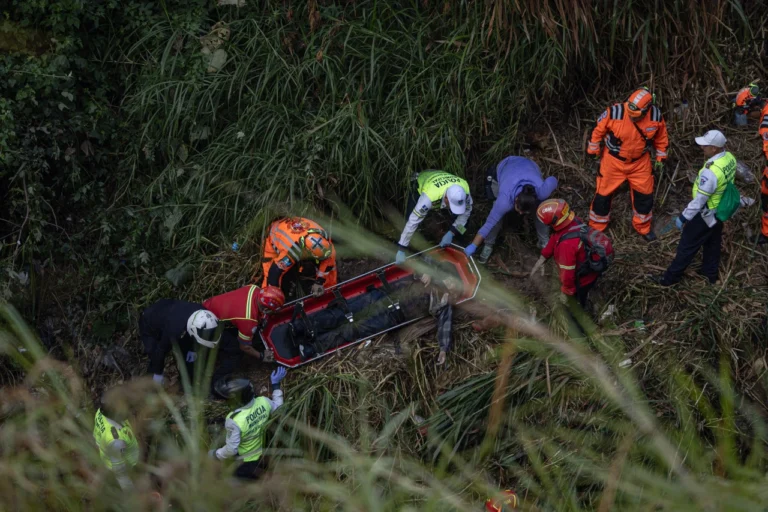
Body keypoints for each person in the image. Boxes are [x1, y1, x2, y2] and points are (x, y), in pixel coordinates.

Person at [295, 259, 460, 364]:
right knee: (343, 312)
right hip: (381, 296)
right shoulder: (426, 273)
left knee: (352, 330)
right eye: (451, 281)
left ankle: (312, 348)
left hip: (391, 318)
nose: (451, 286)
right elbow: (426, 261)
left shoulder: (443, 303)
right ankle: (304, 326)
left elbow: (445, 325)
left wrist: (443, 349)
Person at [654, 130, 736, 286]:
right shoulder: (729, 158)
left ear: (714, 148)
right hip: (719, 211)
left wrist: (684, 217)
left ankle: (669, 279)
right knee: (713, 243)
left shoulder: (711, 172)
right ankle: (710, 275)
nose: (702, 148)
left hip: (705, 213)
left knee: (686, 245)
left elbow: (699, 200)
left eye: (705, 146)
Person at [587, 87, 669, 241]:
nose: (632, 118)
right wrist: (593, 150)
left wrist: (660, 159)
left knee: (645, 196)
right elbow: (597, 131)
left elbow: (661, 139)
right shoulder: (615, 112)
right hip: (613, 161)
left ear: (646, 110)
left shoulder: (656, 116)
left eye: (636, 116)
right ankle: (597, 227)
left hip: (640, 163)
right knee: (602, 195)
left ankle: (643, 227)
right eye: (630, 114)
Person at [465, 156, 558, 263]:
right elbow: (489, 224)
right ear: (516, 199)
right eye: (519, 209)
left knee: (542, 211)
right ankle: (488, 245)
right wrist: (473, 245)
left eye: (525, 212)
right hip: (507, 165)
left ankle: (544, 242)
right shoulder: (505, 199)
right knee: (496, 219)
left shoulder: (541, 192)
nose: (521, 213)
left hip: (530, 165)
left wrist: (546, 191)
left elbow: (553, 179)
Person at [209, 368, 288, 480]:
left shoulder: (234, 420)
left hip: (245, 462)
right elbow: (280, 409)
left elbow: (231, 450)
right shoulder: (264, 402)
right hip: (263, 456)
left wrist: (215, 454)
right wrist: (275, 385)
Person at [202, 285, 285, 385]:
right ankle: (216, 382)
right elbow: (245, 347)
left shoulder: (254, 288)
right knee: (236, 352)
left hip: (208, 306)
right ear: (266, 309)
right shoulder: (249, 321)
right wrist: (262, 356)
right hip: (206, 326)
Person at [530, 199, 603, 307]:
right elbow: (557, 236)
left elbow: (567, 274)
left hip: (584, 279)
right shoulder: (573, 221)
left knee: (578, 300)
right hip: (588, 263)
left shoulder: (566, 245)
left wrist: (567, 293)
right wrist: (543, 257)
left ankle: (581, 310)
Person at [395, 170, 473, 264]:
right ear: (446, 198)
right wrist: (401, 248)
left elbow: (466, 214)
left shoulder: (464, 190)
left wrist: (451, 233)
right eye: (452, 205)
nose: (455, 208)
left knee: (465, 223)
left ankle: (458, 240)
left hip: (442, 178)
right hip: (421, 181)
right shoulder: (429, 197)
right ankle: (408, 244)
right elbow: (413, 221)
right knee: (410, 218)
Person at [139, 300, 220, 385]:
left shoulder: (206, 314)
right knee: (154, 352)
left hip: (173, 315)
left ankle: (188, 384)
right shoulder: (174, 329)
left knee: (189, 354)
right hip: (149, 322)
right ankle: (149, 385)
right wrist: (158, 373)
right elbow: (161, 349)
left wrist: (192, 351)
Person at [261, 217, 337, 298]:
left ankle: (330, 292)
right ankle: (267, 302)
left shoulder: (322, 235)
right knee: (269, 277)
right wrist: (274, 294)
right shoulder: (292, 251)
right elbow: (275, 272)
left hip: (291, 225)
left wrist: (319, 282)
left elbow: (329, 258)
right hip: (274, 234)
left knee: (330, 263)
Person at [93, 390, 140, 491]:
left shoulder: (100, 414)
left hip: (113, 454)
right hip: (128, 465)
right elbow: (121, 473)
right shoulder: (116, 441)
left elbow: (97, 436)